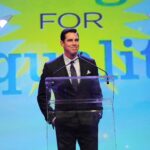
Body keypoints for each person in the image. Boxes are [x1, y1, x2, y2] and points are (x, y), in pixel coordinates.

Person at [37, 28, 103, 150]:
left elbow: (97, 92)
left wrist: (98, 113)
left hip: (88, 123)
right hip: (64, 124)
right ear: (62, 43)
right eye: (70, 40)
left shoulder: (90, 63)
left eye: (76, 40)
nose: (74, 43)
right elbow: (42, 96)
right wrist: (52, 118)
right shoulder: (51, 67)